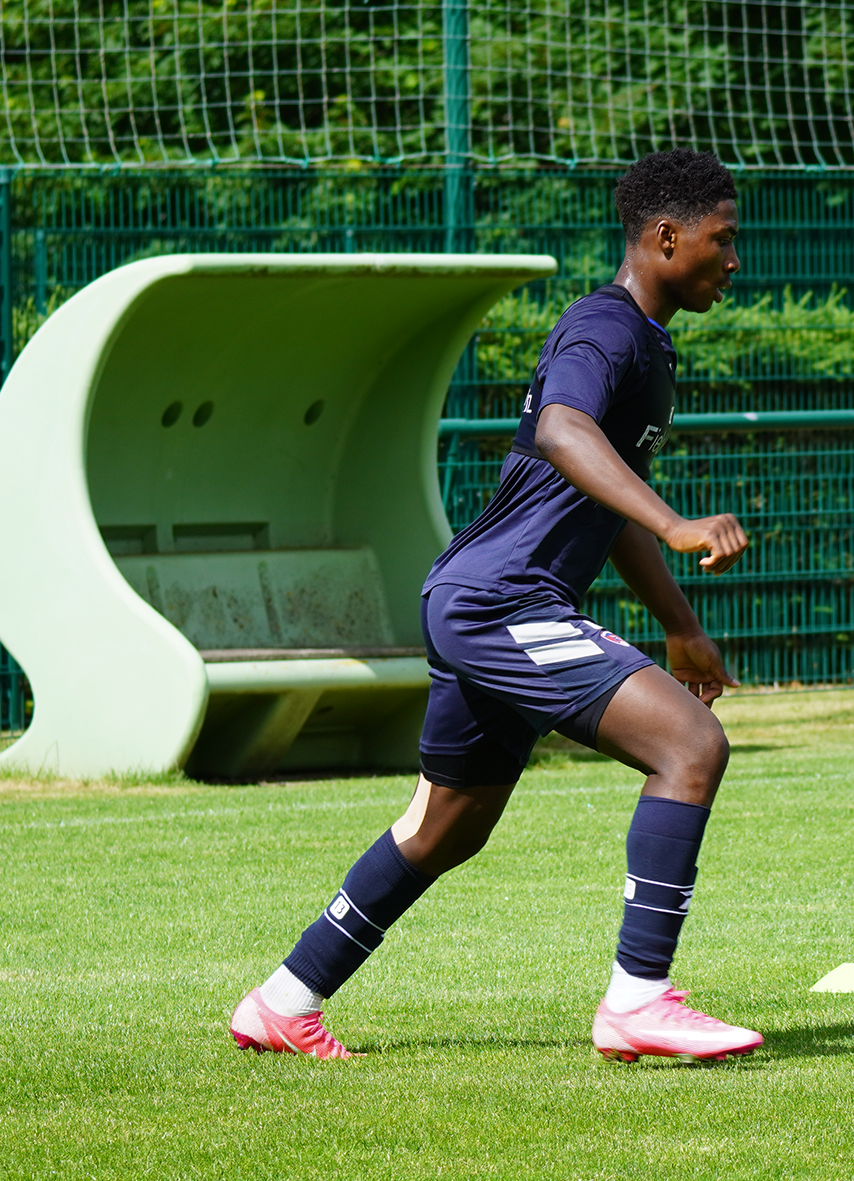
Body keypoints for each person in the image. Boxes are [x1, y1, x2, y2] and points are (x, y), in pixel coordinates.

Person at [229, 149, 763, 1062]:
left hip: (480, 597)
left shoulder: (646, 346)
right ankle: (639, 1001)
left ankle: (285, 999)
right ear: (665, 236)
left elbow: (605, 497)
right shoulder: (607, 327)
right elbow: (563, 430)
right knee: (689, 745)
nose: (733, 258)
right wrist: (677, 521)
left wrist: (680, 625)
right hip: (502, 600)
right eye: (722, 239)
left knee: (449, 825)